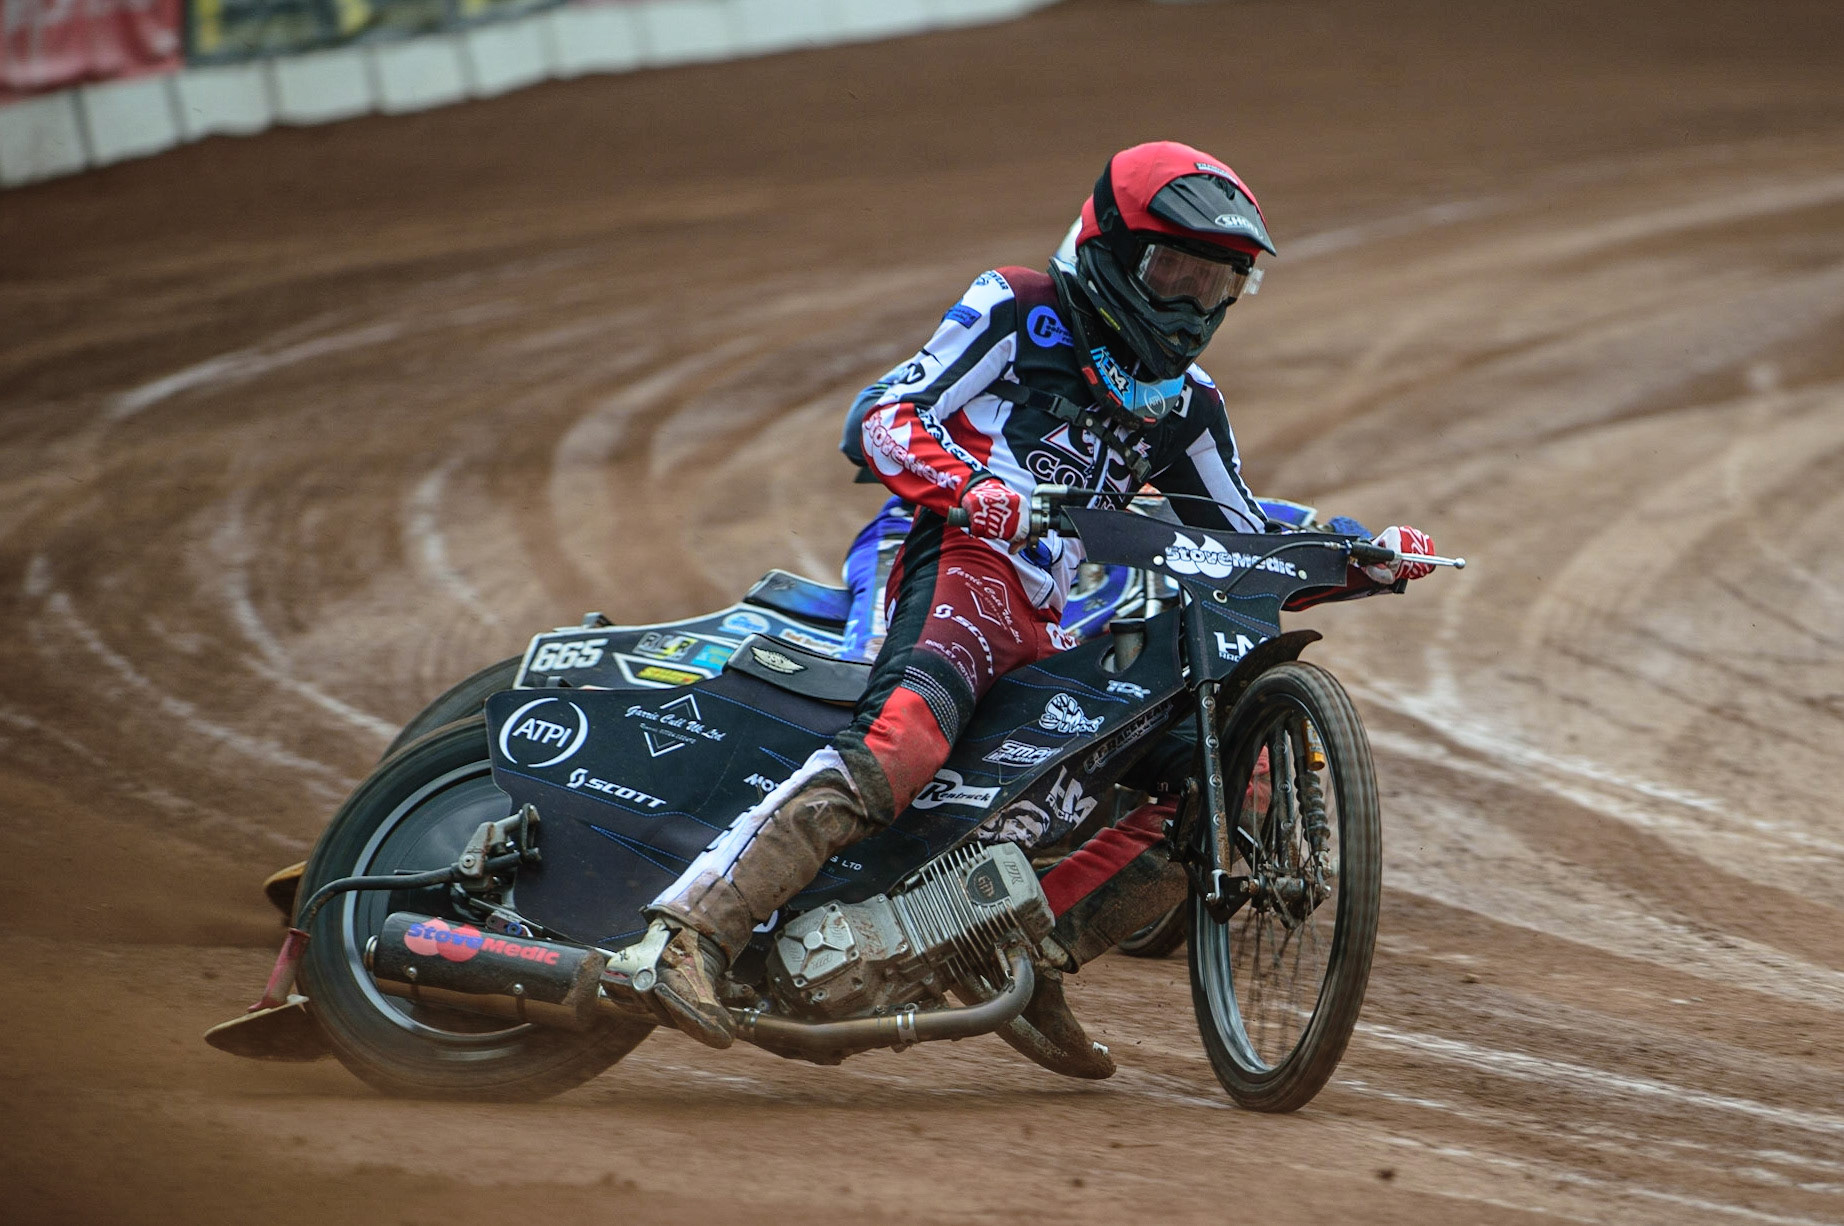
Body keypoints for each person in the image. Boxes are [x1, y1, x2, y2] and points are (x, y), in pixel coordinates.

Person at [638, 141, 1435, 1050]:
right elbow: (884, 417)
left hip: (1054, 612)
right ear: (1111, 246)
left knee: (1222, 786)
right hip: (958, 557)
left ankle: (1030, 959)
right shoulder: (1021, 309)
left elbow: (1241, 540)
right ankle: (688, 934)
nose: (1187, 306)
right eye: (1171, 271)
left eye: (1214, 287)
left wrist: (1362, 560)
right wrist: (976, 487)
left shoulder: (1189, 406)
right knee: (903, 742)